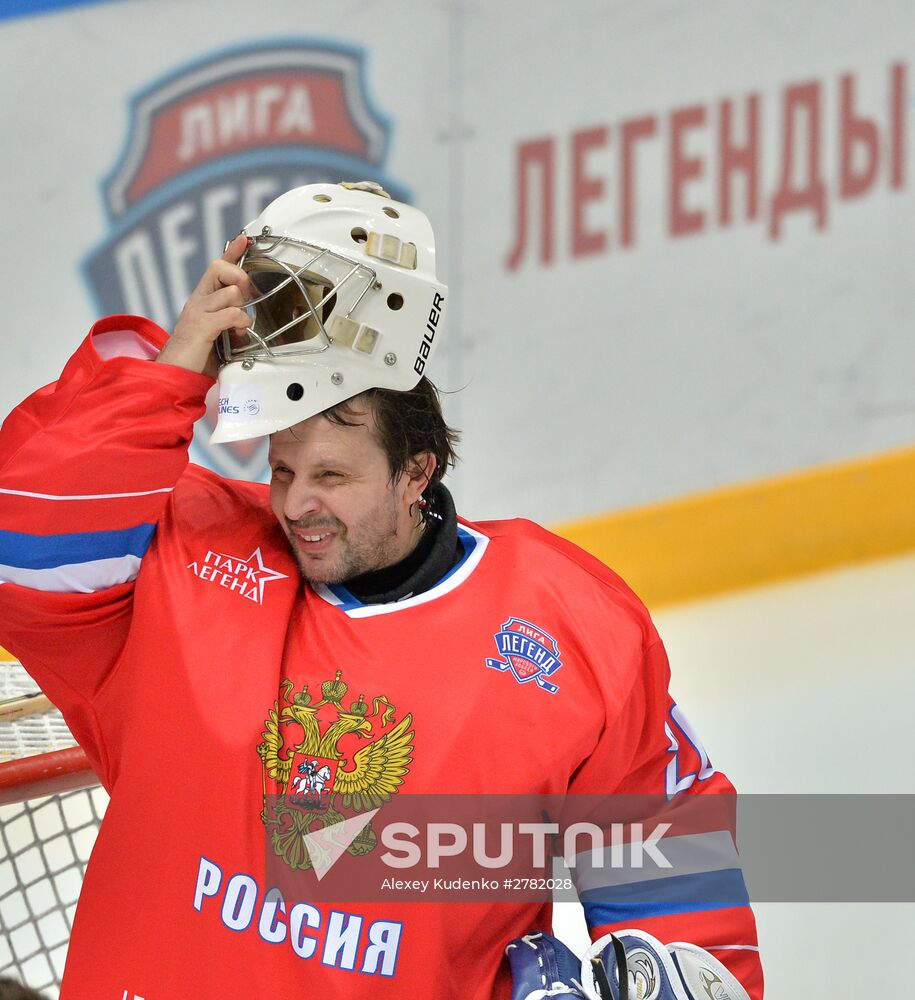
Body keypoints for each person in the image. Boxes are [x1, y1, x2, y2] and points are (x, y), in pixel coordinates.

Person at [0, 182, 763, 998]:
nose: (296, 504)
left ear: (416, 473)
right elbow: (21, 543)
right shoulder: (181, 560)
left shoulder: (566, 622)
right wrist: (173, 371)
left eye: (332, 475)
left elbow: (665, 848)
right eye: (282, 469)